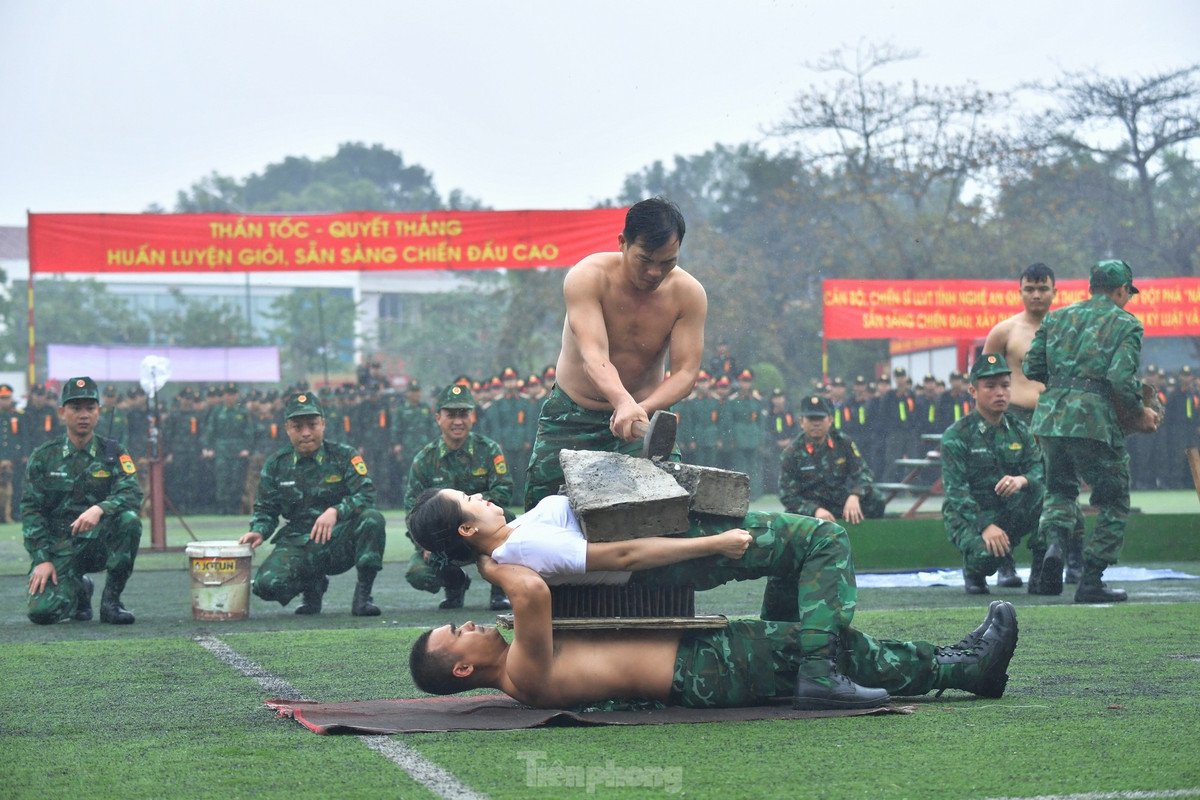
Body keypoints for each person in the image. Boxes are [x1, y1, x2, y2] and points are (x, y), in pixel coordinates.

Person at [409, 557, 1019, 711]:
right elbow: (532, 593)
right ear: (463, 668)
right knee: (832, 648)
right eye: (456, 632)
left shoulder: (521, 670)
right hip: (702, 669)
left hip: (699, 662)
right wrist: (489, 559)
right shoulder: (522, 672)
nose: (469, 624)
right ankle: (964, 668)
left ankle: (952, 663)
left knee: (810, 641)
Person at [523, 197, 707, 509]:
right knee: (543, 514)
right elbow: (594, 355)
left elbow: (686, 373)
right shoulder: (588, 277)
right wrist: (623, 402)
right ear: (623, 243)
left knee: (671, 512)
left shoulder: (688, 294)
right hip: (572, 417)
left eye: (667, 262)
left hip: (642, 424)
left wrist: (639, 409)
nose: (654, 272)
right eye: (645, 260)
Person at [1023, 260, 1159, 603]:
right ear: (1122, 289)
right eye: (1128, 292)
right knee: (1113, 500)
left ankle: (1054, 544)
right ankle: (1092, 579)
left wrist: (1064, 386)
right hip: (1093, 422)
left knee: (1059, 490)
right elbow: (1119, 378)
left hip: (1051, 420)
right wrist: (1139, 410)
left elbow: (1031, 366)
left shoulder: (1057, 317)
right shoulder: (1127, 323)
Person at [238, 391, 386, 616]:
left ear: (323, 424)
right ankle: (313, 585)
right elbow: (266, 509)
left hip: (338, 541)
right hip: (300, 542)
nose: (306, 433)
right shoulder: (277, 464)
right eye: (298, 427)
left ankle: (363, 597)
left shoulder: (344, 456)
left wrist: (336, 511)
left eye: (312, 425)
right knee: (266, 586)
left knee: (372, 519)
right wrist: (258, 531)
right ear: (287, 428)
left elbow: (366, 494)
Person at [983, 262, 1084, 585]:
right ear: (1020, 292)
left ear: (1055, 291)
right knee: (1007, 488)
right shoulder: (1004, 332)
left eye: (1043, 288)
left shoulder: (1069, 330)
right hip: (1014, 418)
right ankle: (1006, 564)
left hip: (1058, 419)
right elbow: (984, 380)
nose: (1036, 294)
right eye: (1030, 289)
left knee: (1064, 487)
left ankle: (1074, 560)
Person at [23, 377, 143, 625]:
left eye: (90, 408)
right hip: (59, 546)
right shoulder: (44, 457)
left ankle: (111, 602)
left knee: (129, 520)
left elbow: (132, 493)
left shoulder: (114, 453)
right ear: (62, 412)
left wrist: (100, 508)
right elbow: (31, 510)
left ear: (99, 412)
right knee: (42, 613)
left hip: (100, 542)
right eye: (75, 408)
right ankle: (80, 590)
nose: (83, 415)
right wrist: (42, 559)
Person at [940, 354, 1044, 595]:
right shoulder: (957, 435)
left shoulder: (1020, 430)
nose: (1000, 393)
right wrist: (985, 526)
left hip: (1010, 509)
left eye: (1005, 386)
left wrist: (1022, 480)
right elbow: (956, 493)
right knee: (985, 558)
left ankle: (1041, 573)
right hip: (972, 515)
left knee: (1052, 503)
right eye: (990, 386)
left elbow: (1038, 470)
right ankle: (975, 569)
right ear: (973, 391)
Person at [405, 383, 512, 611]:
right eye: (451, 415)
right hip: (444, 539)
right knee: (418, 574)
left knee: (509, 519)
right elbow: (412, 508)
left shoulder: (489, 450)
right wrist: (424, 544)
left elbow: (503, 490)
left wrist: (469, 510)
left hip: (482, 531)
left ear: (472, 416)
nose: (458, 421)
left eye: (463, 414)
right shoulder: (425, 459)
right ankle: (455, 586)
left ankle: (500, 590)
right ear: (438, 418)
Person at [778, 395, 886, 524]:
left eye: (820, 418)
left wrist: (855, 495)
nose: (816, 423)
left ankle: (865, 533)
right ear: (801, 422)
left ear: (830, 420)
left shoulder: (843, 443)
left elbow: (864, 474)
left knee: (876, 499)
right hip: (809, 509)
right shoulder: (792, 453)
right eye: (811, 419)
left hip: (838, 503)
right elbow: (787, 495)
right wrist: (815, 510)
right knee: (790, 516)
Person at [201, 383, 253, 515]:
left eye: (233, 394)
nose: (231, 397)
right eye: (229, 394)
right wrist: (208, 448)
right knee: (222, 478)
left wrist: (246, 448)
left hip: (237, 449)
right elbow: (211, 430)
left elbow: (248, 432)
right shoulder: (217, 411)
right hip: (221, 449)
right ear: (224, 396)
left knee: (236, 479)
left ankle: (235, 506)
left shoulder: (242, 411)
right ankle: (222, 506)